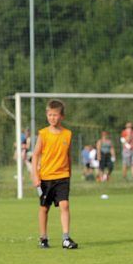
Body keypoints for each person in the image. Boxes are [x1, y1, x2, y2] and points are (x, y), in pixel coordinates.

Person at [31, 100, 78, 250]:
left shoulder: (67, 134)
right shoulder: (43, 134)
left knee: (65, 205)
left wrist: (69, 172)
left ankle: (65, 238)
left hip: (62, 176)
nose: (52, 118)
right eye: (50, 115)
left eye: (55, 115)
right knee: (44, 208)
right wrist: (35, 175)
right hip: (46, 177)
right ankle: (43, 238)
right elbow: (36, 155)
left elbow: (69, 156)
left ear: (62, 116)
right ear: (47, 115)